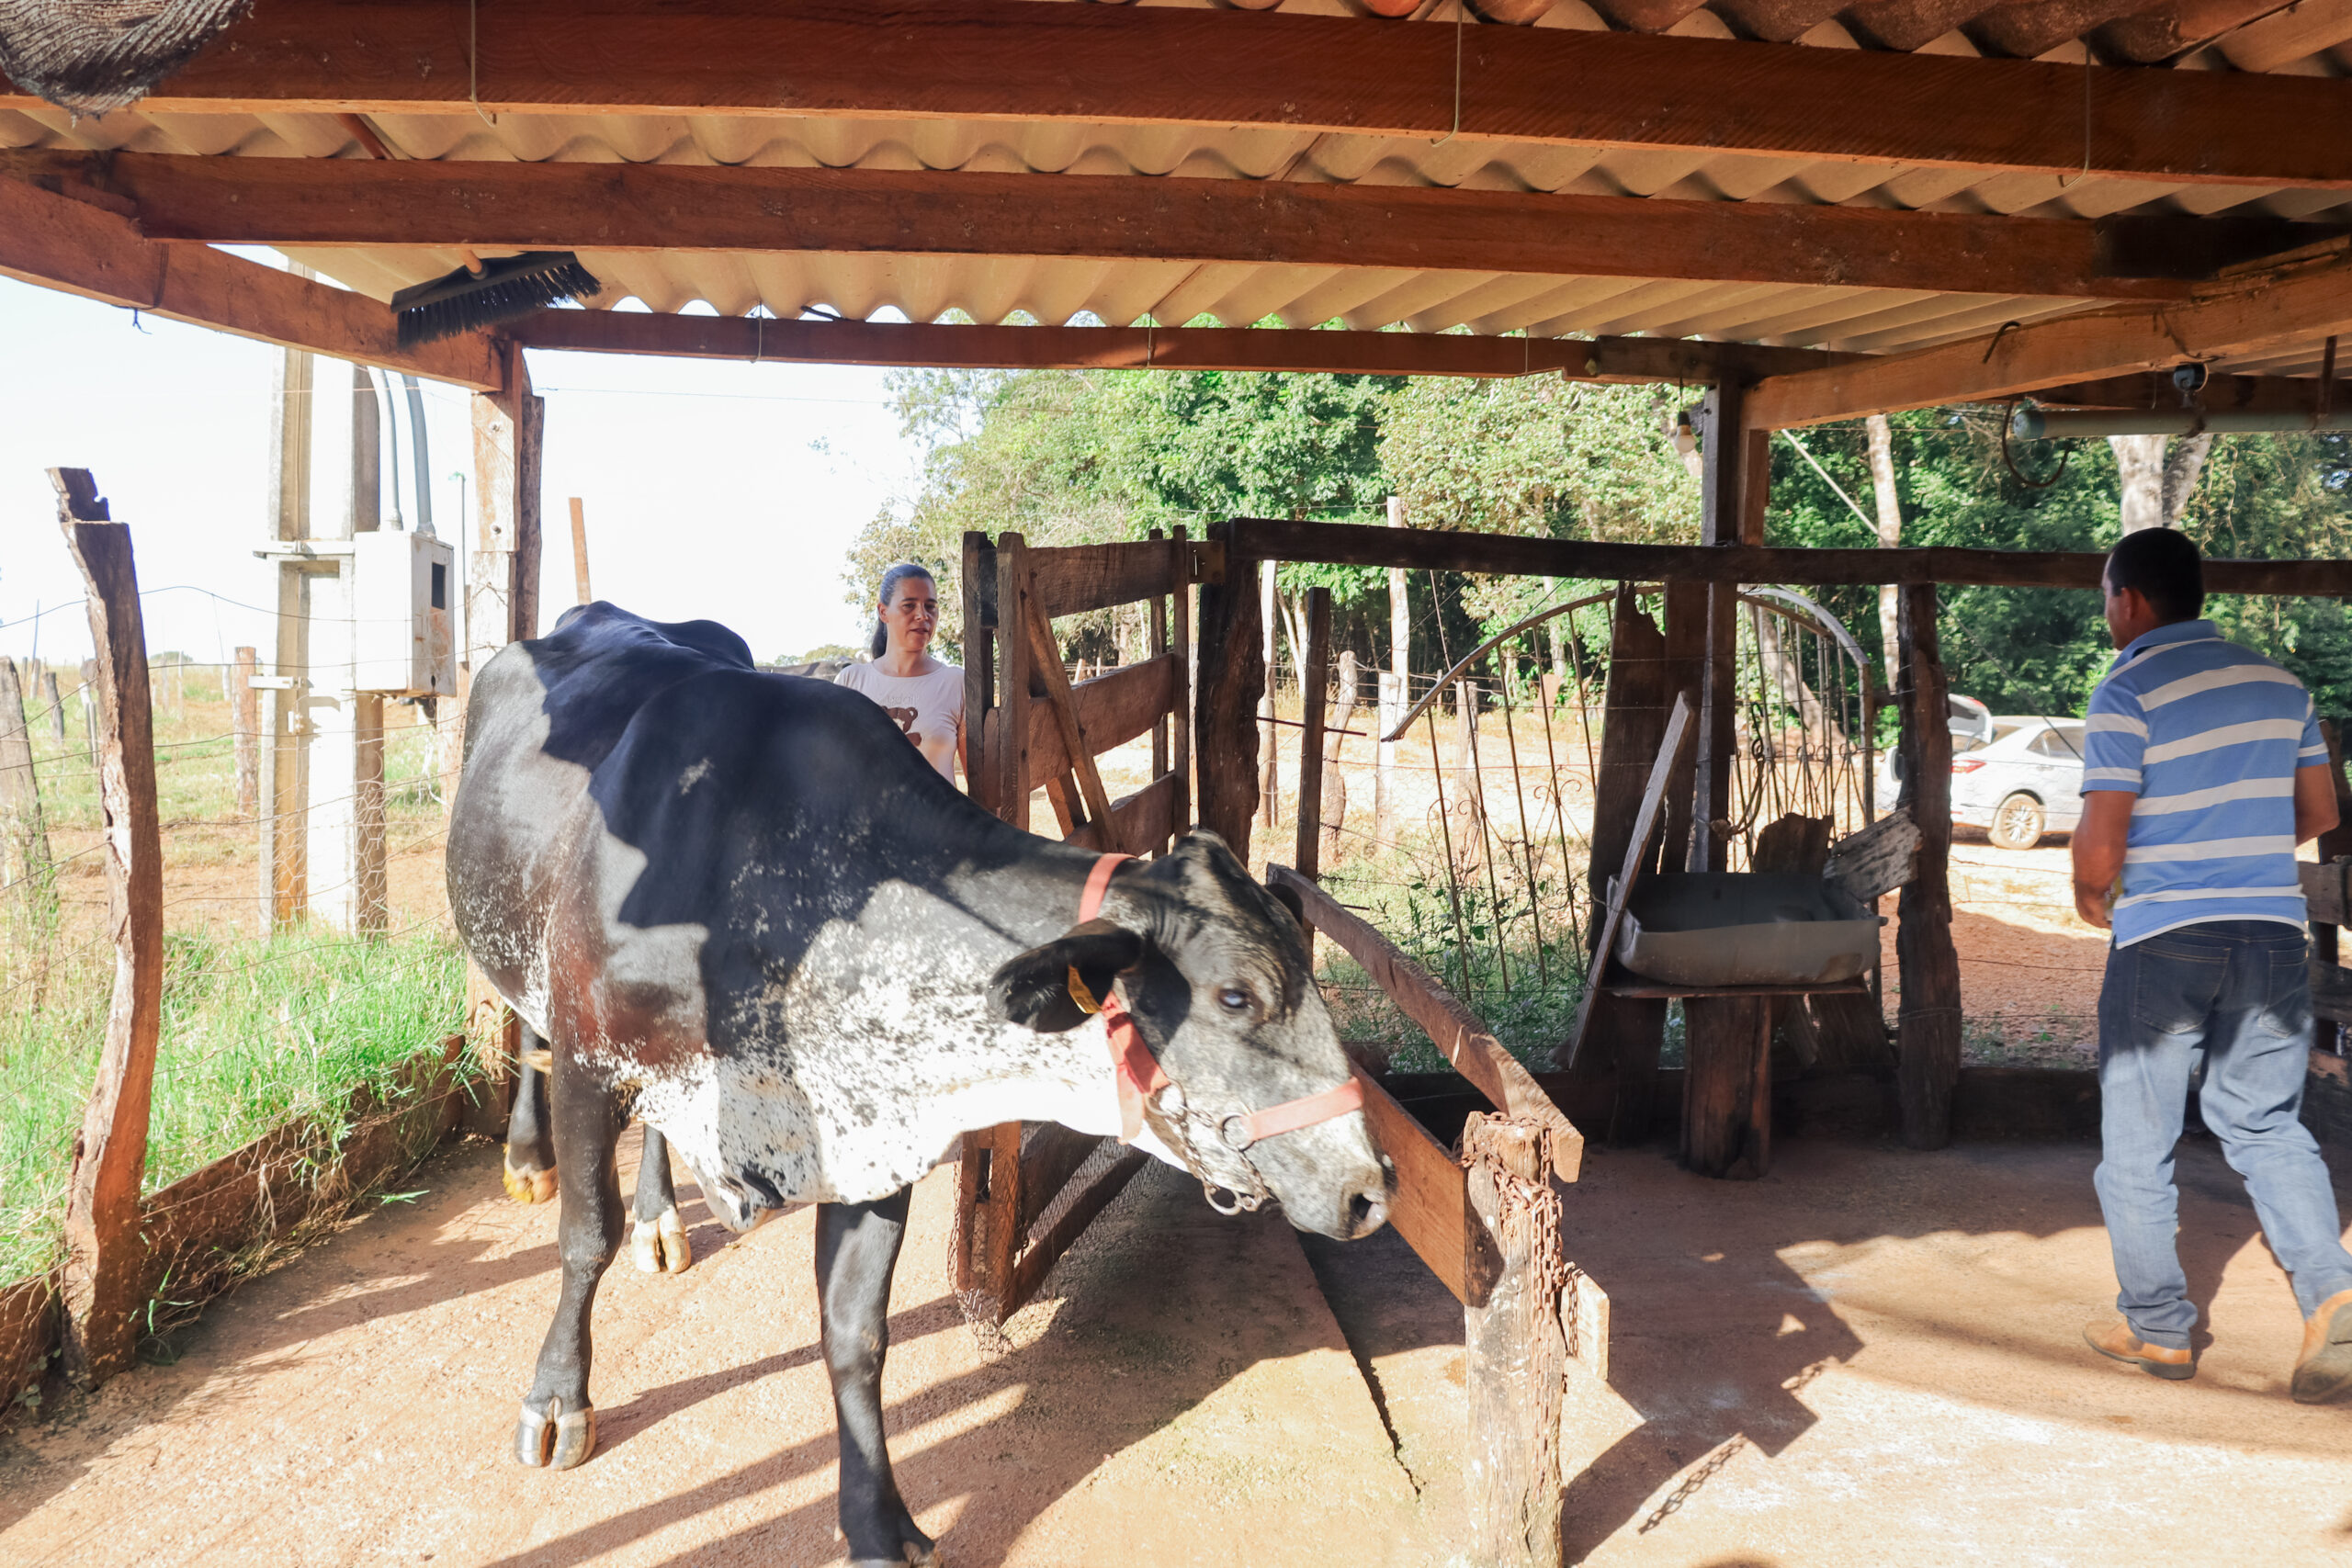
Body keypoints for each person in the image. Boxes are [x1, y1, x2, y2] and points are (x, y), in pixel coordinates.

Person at [2073, 527, 2352, 1401]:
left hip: (2164, 936)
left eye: (2108, 597)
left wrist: (2094, 891)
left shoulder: (2127, 686)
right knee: (2265, 1123)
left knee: (2137, 1138)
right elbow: (2317, 811)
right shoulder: (2281, 684)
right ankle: (2335, 1298)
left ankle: (2157, 1330)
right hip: (2271, 929)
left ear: (2131, 600)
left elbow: (2101, 840)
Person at [835, 562, 965, 785]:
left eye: (930, 606)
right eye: (909, 606)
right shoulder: (851, 682)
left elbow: (984, 786)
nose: (922, 615)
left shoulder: (956, 683)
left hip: (936, 821)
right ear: (883, 612)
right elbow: (834, 772)